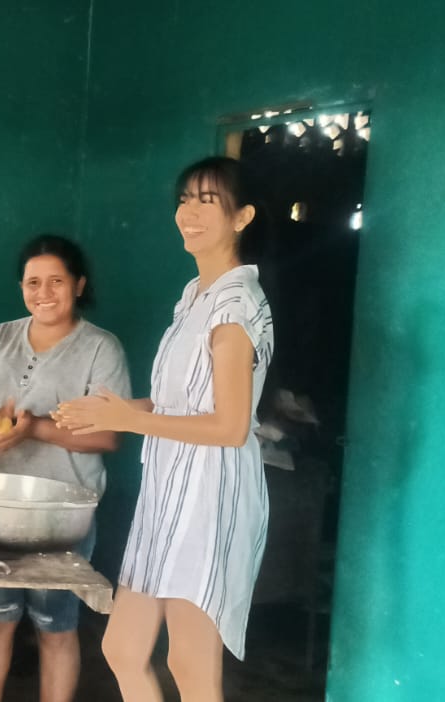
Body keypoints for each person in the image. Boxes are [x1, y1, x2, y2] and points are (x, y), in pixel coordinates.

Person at [56, 157, 276, 702]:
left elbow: (230, 426)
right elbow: (182, 400)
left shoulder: (234, 305)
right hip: (168, 490)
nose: (189, 213)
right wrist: (110, 410)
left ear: (243, 216)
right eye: (184, 199)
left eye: (208, 201)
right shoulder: (195, 295)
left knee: (190, 664)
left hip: (210, 495)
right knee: (124, 649)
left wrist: (128, 420)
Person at [0, 234, 130, 702]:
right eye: (33, 282)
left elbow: (108, 435)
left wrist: (34, 429)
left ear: (79, 285)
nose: (43, 292)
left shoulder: (100, 348)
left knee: (56, 626)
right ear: (21, 287)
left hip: (63, 516)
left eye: (56, 281)